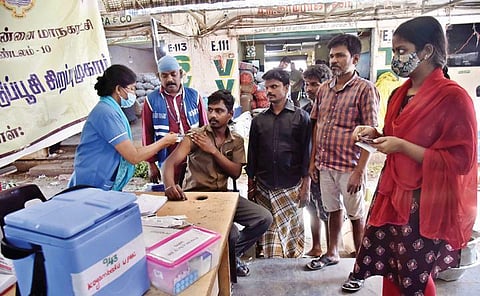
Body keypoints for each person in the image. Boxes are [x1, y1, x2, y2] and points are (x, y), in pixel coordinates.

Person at [342, 16, 477, 295]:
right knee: (392, 268)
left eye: (401, 50)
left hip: (425, 202)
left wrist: (403, 147)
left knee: (414, 277)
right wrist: (373, 134)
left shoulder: (453, 98)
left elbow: (462, 160)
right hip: (392, 195)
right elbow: (393, 136)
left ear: (426, 51)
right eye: (394, 51)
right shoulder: (399, 94)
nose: (396, 58)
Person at [162, 89, 273, 278]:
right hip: (195, 197)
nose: (213, 115)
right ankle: (225, 262)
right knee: (231, 233)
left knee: (263, 218)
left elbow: (236, 173)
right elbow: (168, 164)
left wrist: (213, 151)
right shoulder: (195, 136)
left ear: (230, 114)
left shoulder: (236, 140)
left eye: (219, 111)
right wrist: (169, 186)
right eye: (210, 110)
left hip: (223, 196)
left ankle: (231, 254)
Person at [306, 34, 380, 270]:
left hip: (350, 166)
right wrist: (312, 163)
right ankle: (332, 253)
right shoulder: (324, 89)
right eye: (331, 56)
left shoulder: (365, 89)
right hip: (325, 164)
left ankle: (360, 262)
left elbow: (370, 134)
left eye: (340, 55)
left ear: (355, 58)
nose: (334, 60)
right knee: (331, 209)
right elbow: (318, 125)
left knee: (356, 214)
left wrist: (360, 171)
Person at [69, 64, 178, 191]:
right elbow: (133, 156)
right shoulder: (106, 113)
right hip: (93, 182)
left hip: (102, 182)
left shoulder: (112, 109)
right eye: (131, 89)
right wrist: (164, 142)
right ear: (118, 89)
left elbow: (127, 147)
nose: (134, 93)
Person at [246, 68, 311, 258]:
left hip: (291, 186)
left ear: (287, 87)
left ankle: (290, 262)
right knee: (269, 231)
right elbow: (253, 154)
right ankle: (271, 262)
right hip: (264, 187)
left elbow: (307, 154)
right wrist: (252, 184)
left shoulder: (301, 117)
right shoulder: (259, 121)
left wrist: (305, 186)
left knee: (290, 230)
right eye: (267, 87)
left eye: (274, 86)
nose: (269, 91)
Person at [142, 55, 208, 185]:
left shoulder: (194, 96)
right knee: (173, 192)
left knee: (194, 189)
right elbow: (147, 134)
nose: (170, 79)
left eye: (173, 74)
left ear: (181, 74)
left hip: (194, 156)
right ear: (159, 77)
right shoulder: (151, 100)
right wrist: (151, 163)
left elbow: (205, 127)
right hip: (167, 157)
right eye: (164, 76)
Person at [301, 64, 332, 257]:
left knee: (329, 210)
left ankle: (331, 248)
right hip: (309, 166)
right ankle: (316, 246)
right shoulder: (304, 109)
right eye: (306, 84)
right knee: (312, 208)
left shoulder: (331, 109)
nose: (309, 88)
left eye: (315, 84)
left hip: (327, 166)